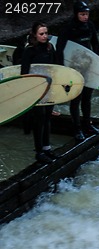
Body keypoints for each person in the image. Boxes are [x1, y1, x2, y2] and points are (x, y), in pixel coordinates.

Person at [56, 1, 99, 142]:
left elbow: (96, 45)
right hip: (74, 69)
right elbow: (59, 50)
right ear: (76, 14)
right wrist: (63, 70)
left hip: (87, 67)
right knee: (76, 100)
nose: (85, 17)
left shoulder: (90, 26)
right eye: (82, 14)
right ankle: (77, 130)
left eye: (87, 14)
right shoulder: (68, 28)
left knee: (87, 98)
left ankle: (87, 125)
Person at [21, 22, 58, 164]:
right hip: (35, 89)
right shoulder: (29, 50)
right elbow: (24, 73)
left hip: (49, 87)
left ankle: (47, 148)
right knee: (39, 119)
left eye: (46, 33)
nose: (44, 36)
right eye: (41, 34)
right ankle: (39, 152)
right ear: (35, 35)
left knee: (47, 117)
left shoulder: (50, 47)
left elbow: (55, 68)